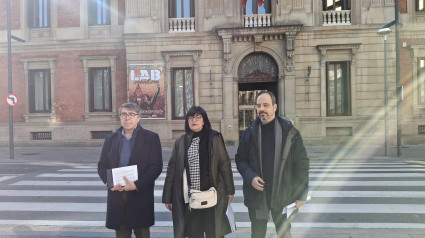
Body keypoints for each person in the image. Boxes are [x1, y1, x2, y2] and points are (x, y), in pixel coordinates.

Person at [235, 91, 309, 238]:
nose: (262, 108)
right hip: (257, 196)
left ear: (274, 107)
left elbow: (301, 164)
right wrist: (250, 177)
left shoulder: (290, 132)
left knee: (284, 233)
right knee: (257, 234)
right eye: (259, 105)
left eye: (266, 105)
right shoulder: (249, 132)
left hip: (283, 194)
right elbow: (240, 159)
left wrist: (301, 193)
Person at [162, 106, 235, 238]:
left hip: (212, 196)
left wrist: (230, 190)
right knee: (194, 234)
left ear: (203, 121)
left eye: (197, 117)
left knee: (214, 233)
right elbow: (172, 169)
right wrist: (167, 196)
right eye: (190, 117)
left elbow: (224, 164)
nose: (193, 120)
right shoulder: (181, 141)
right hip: (190, 200)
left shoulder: (214, 138)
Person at [97, 102, 163, 238]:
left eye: (131, 114)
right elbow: (102, 165)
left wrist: (137, 184)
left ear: (138, 118)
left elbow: (155, 167)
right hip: (118, 194)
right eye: (124, 114)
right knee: (121, 234)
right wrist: (109, 182)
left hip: (140, 194)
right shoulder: (111, 139)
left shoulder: (151, 138)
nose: (127, 118)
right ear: (119, 117)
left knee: (142, 233)